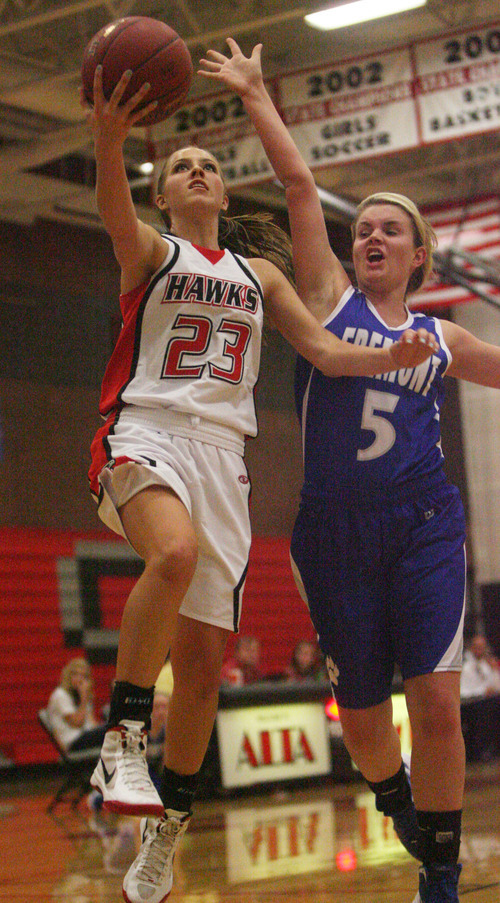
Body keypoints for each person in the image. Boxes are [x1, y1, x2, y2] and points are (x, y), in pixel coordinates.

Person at [82, 64, 438, 903]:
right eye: (182, 166)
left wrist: (387, 356)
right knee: (170, 555)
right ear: (164, 194)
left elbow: (322, 348)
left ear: (222, 190)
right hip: (146, 431)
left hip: (225, 461)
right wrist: (107, 137)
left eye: (209, 163)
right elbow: (108, 205)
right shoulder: (150, 249)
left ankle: (165, 835)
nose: (199, 170)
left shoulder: (260, 277)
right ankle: (123, 735)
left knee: (202, 670)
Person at [199, 38, 500, 903]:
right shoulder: (328, 296)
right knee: (367, 723)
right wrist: (257, 93)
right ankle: (393, 794)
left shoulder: (445, 338)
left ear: (418, 256)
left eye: (388, 229)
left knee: (436, 703)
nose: (369, 234)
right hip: (332, 532)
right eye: (362, 225)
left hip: (424, 522)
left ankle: (439, 874)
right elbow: (299, 186)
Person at [47, 657, 107, 753]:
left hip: (86, 736)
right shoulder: (60, 694)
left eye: (83, 676)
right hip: (73, 742)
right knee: (111, 732)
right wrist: (84, 698)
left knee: (115, 729)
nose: (79, 679)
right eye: (75, 674)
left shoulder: (81, 694)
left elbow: (91, 723)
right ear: (68, 675)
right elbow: (77, 723)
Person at [460, 633, 500, 699]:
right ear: (471, 647)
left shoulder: (485, 665)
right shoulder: (466, 668)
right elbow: (463, 692)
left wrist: (494, 670)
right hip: (473, 705)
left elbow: (495, 686)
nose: (480, 650)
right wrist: (483, 691)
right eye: (477, 647)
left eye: (482, 647)